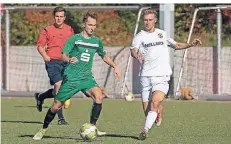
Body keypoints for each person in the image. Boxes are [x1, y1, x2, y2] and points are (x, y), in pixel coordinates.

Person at [33, 11, 121, 140]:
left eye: (94, 25)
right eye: (90, 25)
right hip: (71, 79)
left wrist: (115, 66)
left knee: (98, 96)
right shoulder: (75, 39)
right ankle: (43, 129)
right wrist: (68, 59)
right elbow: (63, 54)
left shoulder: (96, 41)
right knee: (56, 106)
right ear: (84, 24)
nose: (92, 27)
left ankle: (92, 127)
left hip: (86, 78)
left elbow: (104, 56)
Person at [130, 8, 202, 140]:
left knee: (155, 102)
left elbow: (177, 45)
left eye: (150, 20)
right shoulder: (139, 36)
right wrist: (137, 54)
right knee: (148, 113)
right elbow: (133, 51)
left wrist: (191, 44)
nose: (147, 22)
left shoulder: (162, 34)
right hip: (145, 77)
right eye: (145, 20)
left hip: (162, 76)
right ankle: (159, 110)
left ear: (155, 20)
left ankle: (144, 130)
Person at [35, 6, 74, 125]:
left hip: (65, 62)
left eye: (61, 17)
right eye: (57, 16)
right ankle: (60, 118)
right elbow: (40, 46)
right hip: (52, 62)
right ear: (54, 17)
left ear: (64, 17)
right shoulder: (47, 30)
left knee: (60, 89)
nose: (59, 19)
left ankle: (41, 97)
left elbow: (73, 45)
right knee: (58, 85)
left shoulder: (69, 29)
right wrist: (44, 56)